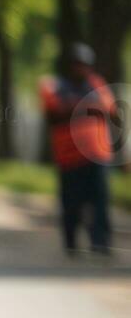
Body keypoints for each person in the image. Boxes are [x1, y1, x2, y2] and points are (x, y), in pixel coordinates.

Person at [40, 43, 120, 257]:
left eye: (84, 65)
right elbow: (55, 111)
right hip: (69, 157)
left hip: (97, 154)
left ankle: (101, 243)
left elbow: (111, 110)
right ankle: (71, 242)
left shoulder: (97, 84)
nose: (80, 69)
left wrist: (78, 106)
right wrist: (87, 107)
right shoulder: (54, 85)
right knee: (71, 203)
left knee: (100, 200)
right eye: (76, 64)